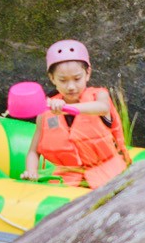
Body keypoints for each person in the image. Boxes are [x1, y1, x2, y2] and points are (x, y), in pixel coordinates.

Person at [26, 40, 129, 190]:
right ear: (52, 78)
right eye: (63, 80)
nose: (71, 87)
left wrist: (67, 108)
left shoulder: (99, 97)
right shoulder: (46, 112)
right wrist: (31, 171)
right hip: (66, 180)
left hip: (107, 176)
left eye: (77, 79)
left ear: (88, 73)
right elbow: (33, 151)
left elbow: (102, 107)